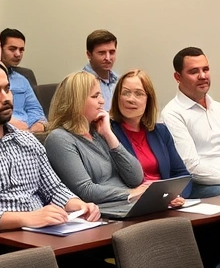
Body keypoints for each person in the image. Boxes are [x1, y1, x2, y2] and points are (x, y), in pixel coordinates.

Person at [0, 60, 101, 233]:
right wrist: (29, 218)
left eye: (7, 89)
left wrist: (78, 205)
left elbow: (54, 189)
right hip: (3, 241)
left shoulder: (27, 140)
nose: (6, 97)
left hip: (45, 232)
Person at [160, 46, 220, 198]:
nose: (202, 76)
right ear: (178, 77)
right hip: (203, 184)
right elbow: (191, 166)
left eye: (206, 69)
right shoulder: (172, 113)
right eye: (194, 71)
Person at [45, 71, 145, 204]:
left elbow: (136, 178)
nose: (102, 101)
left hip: (126, 203)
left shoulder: (98, 132)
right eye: (95, 96)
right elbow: (85, 191)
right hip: (104, 210)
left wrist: (109, 135)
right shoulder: (59, 139)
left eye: (101, 95)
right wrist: (130, 193)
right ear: (77, 102)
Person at [109, 69, 192, 200]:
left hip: (165, 202)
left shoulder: (160, 131)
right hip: (132, 202)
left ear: (148, 99)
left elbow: (181, 174)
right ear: (117, 98)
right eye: (125, 93)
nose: (131, 99)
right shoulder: (108, 132)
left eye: (138, 94)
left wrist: (176, 195)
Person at [0, 28, 47, 132]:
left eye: (21, 50)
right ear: (0, 48)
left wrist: (36, 126)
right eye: (12, 49)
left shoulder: (22, 79)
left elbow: (36, 110)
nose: (18, 54)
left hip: (29, 132)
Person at [82, 29, 119, 110]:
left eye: (112, 52)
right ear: (89, 55)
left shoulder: (120, 82)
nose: (108, 58)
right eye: (101, 53)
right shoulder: (78, 84)